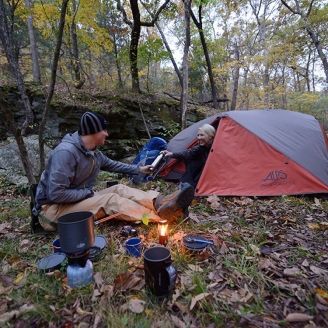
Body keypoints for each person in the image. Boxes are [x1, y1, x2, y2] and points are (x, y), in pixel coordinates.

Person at [34, 112, 194, 231]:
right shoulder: (66, 153)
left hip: (74, 200)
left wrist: (139, 169)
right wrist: (87, 193)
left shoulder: (94, 153)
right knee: (109, 199)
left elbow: (114, 165)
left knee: (119, 188)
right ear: (94, 131)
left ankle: (160, 202)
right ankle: (159, 217)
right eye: (104, 130)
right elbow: (56, 194)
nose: (107, 134)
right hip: (52, 211)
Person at [161, 123, 216, 189]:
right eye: (198, 135)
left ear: (210, 136)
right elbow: (187, 153)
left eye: (202, 135)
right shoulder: (199, 148)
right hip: (190, 180)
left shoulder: (214, 147)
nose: (199, 138)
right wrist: (172, 154)